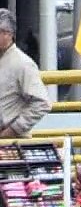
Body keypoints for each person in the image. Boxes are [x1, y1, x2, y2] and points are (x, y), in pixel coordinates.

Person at [0, 9, 50, 138]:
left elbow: (42, 104)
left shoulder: (23, 63)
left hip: (10, 140)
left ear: (8, 34)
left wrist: (13, 130)